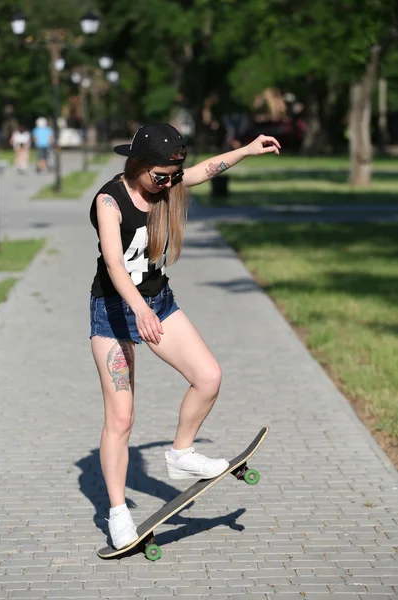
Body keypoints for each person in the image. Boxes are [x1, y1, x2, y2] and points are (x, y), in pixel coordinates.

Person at [89, 122, 280, 550]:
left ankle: (181, 454)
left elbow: (210, 168)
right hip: (116, 313)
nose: (168, 184)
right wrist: (137, 309)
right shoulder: (109, 200)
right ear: (137, 164)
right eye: (160, 176)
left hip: (158, 304)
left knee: (209, 377)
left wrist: (247, 150)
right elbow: (115, 265)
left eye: (173, 176)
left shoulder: (167, 185)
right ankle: (118, 513)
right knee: (121, 418)